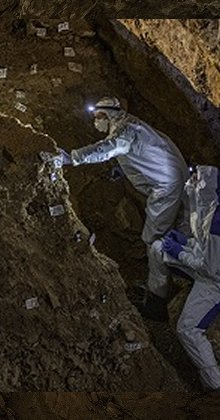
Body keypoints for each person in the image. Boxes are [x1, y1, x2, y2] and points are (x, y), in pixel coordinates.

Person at [54, 97, 189, 318]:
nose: (95, 122)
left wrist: (71, 158)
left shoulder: (125, 130)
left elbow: (109, 147)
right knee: (173, 234)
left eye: (97, 117)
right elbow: (137, 152)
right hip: (171, 181)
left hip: (166, 188)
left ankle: (157, 302)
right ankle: (169, 284)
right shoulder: (131, 124)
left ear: (107, 115)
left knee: (154, 240)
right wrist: (123, 170)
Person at [150, 165, 220, 391]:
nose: (191, 182)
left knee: (187, 329)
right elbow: (204, 247)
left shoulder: (217, 223)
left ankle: (214, 385)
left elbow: (209, 268)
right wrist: (185, 243)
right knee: (159, 249)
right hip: (208, 265)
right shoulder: (210, 207)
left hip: (214, 282)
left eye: (195, 180)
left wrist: (180, 250)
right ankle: (155, 306)